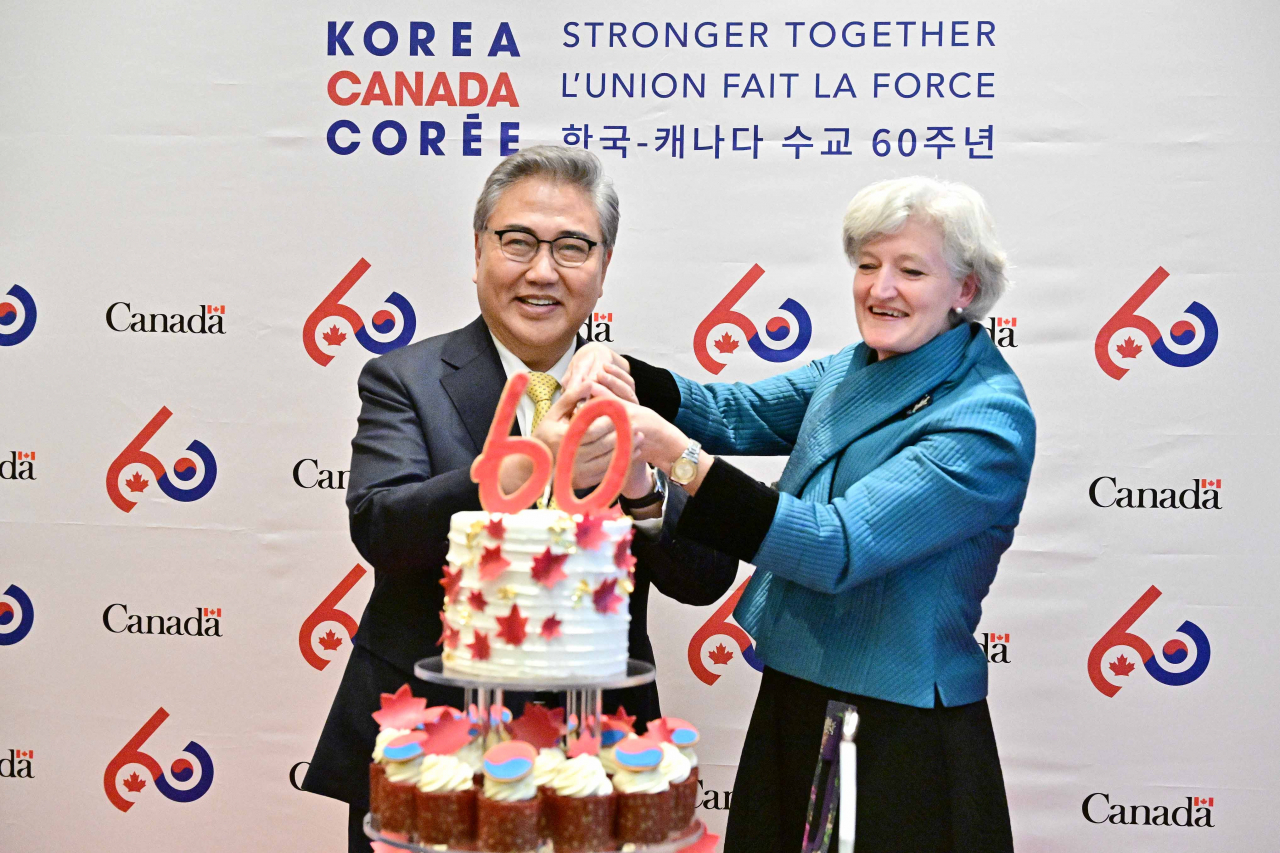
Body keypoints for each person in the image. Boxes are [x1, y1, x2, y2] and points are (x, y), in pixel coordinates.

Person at [566, 176, 1035, 852]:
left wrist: (677, 457)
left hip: (893, 729)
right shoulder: (857, 365)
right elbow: (736, 412)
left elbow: (834, 547)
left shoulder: (985, 420)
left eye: (911, 270)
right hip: (799, 689)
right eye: (868, 265)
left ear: (964, 289)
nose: (880, 289)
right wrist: (614, 367)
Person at [301, 145, 739, 852]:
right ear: (478, 251)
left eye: (572, 247)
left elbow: (705, 577)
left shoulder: (637, 393)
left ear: (603, 266)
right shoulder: (404, 378)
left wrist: (640, 483)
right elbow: (381, 528)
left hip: (596, 760)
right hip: (431, 754)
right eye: (517, 242)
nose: (542, 270)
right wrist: (514, 470)